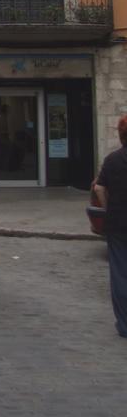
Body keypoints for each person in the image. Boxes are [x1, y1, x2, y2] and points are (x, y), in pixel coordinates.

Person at [93, 114, 127, 338]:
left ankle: (124, 323)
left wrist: (106, 209)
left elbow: (98, 188)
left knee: (119, 271)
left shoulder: (113, 159)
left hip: (118, 220)